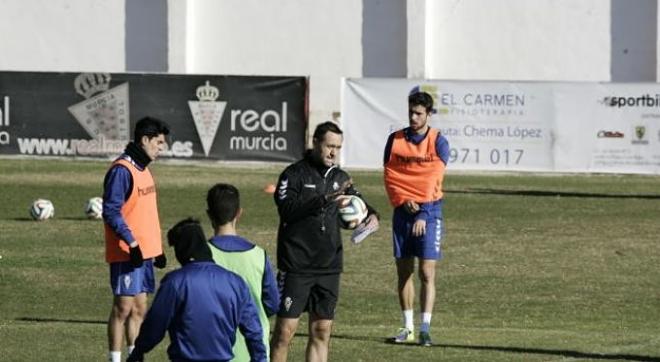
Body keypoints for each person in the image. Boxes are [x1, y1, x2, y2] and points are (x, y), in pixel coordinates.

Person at [269, 121, 380, 362]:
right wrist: (324, 199)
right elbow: (287, 209)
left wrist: (372, 215)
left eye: (338, 147)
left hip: (329, 266)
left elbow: (360, 202)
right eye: (329, 146)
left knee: (321, 331)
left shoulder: (341, 178)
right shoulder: (293, 174)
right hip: (297, 266)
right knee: (284, 333)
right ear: (316, 142)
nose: (333, 152)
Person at [127, 218, 267, 362]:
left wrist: (138, 351)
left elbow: (155, 325)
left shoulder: (175, 283)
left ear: (182, 248)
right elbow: (254, 332)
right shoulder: (236, 283)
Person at [383, 91, 449, 347]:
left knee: (427, 272)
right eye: (411, 112)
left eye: (419, 113)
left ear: (428, 115)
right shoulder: (395, 140)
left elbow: (434, 181)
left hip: (430, 214)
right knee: (404, 272)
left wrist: (422, 212)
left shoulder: (438, 142)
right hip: (402, 213)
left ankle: (425, 328)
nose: (413, 117)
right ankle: (407, 327)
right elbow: (390, 176)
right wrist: (401, 201)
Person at [103, 116, 170, 362]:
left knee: (140, 308)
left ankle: (135, 357)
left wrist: (157, 248)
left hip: (145, 253)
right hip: (127, 252)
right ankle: (115, 359)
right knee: (123, 308)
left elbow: (146, 214)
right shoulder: (122, 170)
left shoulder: (144, 169)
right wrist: (131, 243)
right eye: (159, 142)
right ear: (145, 140)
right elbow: (111, 210)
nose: (162, 148)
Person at [206, 183, 280, 361]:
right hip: (253, 351)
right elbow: (272, 303)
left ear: (209, 214)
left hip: (212, 349)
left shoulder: (202, 255)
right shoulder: (258, 255)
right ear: (239, 213)